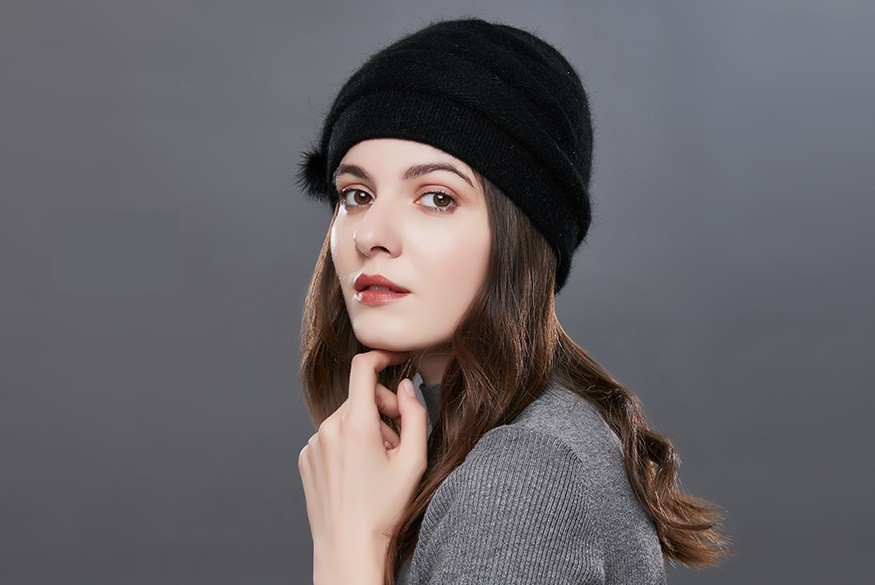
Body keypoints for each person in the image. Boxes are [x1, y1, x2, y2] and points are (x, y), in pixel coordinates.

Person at [295, 17, 729, 585]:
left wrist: (349, 549)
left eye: (436, 198)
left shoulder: (526, 470)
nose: (372, 234)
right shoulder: (459, 443)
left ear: (519, 233)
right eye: (356, 194)